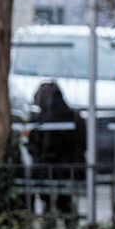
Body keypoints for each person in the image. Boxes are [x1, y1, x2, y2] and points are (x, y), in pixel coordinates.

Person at [26, 80, 86, 216]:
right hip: (72, 171)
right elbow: (83, 145)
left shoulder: (39, 119)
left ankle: (47, 212)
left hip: (47, 172)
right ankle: (65, 211)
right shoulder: (74, 117)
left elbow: (33, 147)